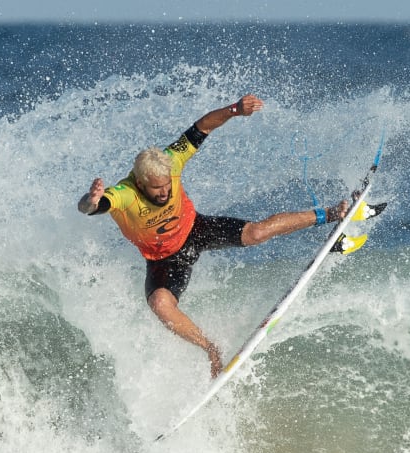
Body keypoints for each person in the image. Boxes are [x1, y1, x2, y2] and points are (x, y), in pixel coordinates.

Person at [77, 95, 349, 379]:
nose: (165, 193)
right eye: (157, 189)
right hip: (165, 259)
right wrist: (91, 200)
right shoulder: (125, 194)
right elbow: (90, 208)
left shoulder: (171, 159)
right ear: (141, 182)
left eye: (167, 185)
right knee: (159, 304)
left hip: (195, 228)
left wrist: (235, 110)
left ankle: (331, 213)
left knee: (255, 232)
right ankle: (211, 349)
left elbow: (202, 127)